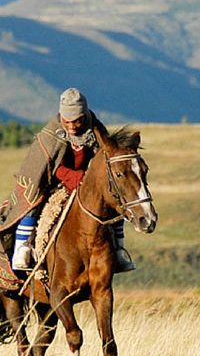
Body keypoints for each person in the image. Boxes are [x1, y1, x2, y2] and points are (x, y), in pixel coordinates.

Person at [9, 87, 135, 273]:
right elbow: (47, 166)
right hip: (53, 181)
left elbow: (104, 157)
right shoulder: (50, 135)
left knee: (116, 205)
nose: (72, 126)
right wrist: (73, 177)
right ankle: (23, 248)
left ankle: (118, 249)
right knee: (33, 201)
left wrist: (90, 178)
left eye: (76, 121)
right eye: (67, 121)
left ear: (84, 116)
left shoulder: (96, 130)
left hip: (87, 183)